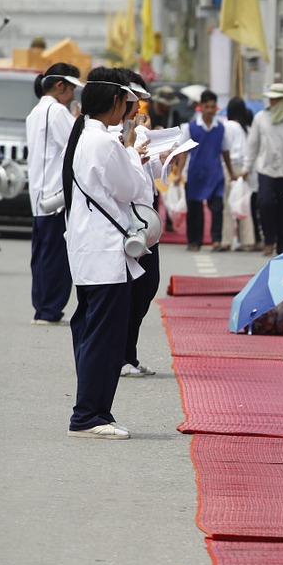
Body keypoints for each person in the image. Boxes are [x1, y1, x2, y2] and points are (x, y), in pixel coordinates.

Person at [60, 67, 156, 439]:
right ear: (114, 102)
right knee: (103, 337)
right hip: (105, 253)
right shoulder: (103, 142)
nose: (127, 111)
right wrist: (134, 156)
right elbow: (132, 188)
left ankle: (94, 411)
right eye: (125, 103)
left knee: (91, 332)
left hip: (90, 250)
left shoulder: (85, 134)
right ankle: (88, 415)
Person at [25, 63, 83, 323]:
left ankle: (43, 307)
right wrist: (78, 120)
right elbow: (75, 145)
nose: (72, 95)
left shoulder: (36, 111)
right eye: (71, 89)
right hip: (55, 196)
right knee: (56, 256)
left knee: (42, 254)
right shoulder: (56, 111)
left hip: (40, 193)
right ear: (60, 86)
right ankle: (49, 309)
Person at [119, 72, 161, 379]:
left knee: (146, 287)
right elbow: (124, 179)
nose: (138, 106)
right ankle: (120, 356)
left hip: (147, 217)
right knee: (130, 291)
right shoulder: (111, 133)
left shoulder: (137, 128)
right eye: (135, 100)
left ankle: (128, 354)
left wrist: (158, 151)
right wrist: (134, 147)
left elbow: (149, 171)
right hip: (129, 219)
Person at [243, 83, 283, 257]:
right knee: (265, 203)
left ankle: (281, 244)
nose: (272, 102)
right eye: (271, 98)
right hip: (265, 169)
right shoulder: (261, 117)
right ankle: (268, 240)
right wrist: (247, 166)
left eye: (276, 99)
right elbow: (252, 144)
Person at [179, 90, 233, 252]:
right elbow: (184, 152)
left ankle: (216, 239)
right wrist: (178, 173)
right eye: (207, 107)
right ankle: (194, 241)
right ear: (200, 107)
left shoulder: (221, 128)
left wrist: (231, 172)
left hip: (215, 173)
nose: (210, 110)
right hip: (195, 174)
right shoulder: (191, 128)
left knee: (217, 208)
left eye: (212, 107)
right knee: (194, 210)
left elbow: (225, 151)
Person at [221, 97, 255, 251]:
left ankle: (226, 240)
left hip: (228, 166)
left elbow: (224, 149)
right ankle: (248, 240)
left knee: (227, 205)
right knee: (243, 204)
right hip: (242, 167)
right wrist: (245, 170)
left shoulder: (226, 126)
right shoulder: (245, 129)